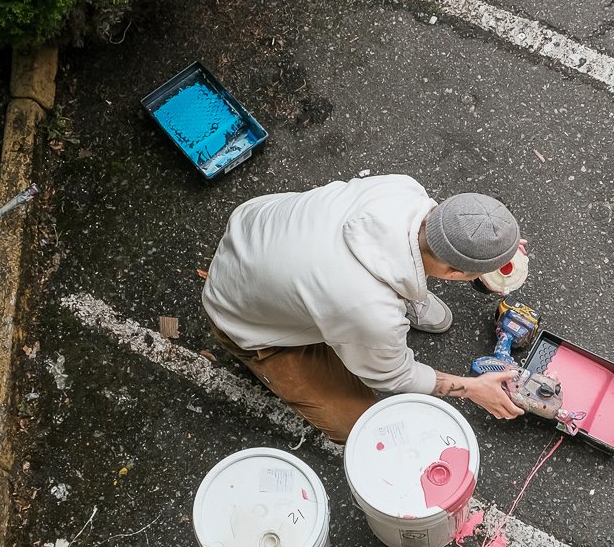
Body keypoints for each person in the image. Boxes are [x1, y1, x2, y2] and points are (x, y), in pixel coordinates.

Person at [201, 175, 527, 442]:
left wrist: (495, 244)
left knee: (362, 318)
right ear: (454, 273)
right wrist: (472, 388)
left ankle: (385, 309)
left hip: (258, 232)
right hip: (241, 314)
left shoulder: (403, 189)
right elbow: (396, 376)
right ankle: (264, 353)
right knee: (359, 427)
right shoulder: (372, 313)